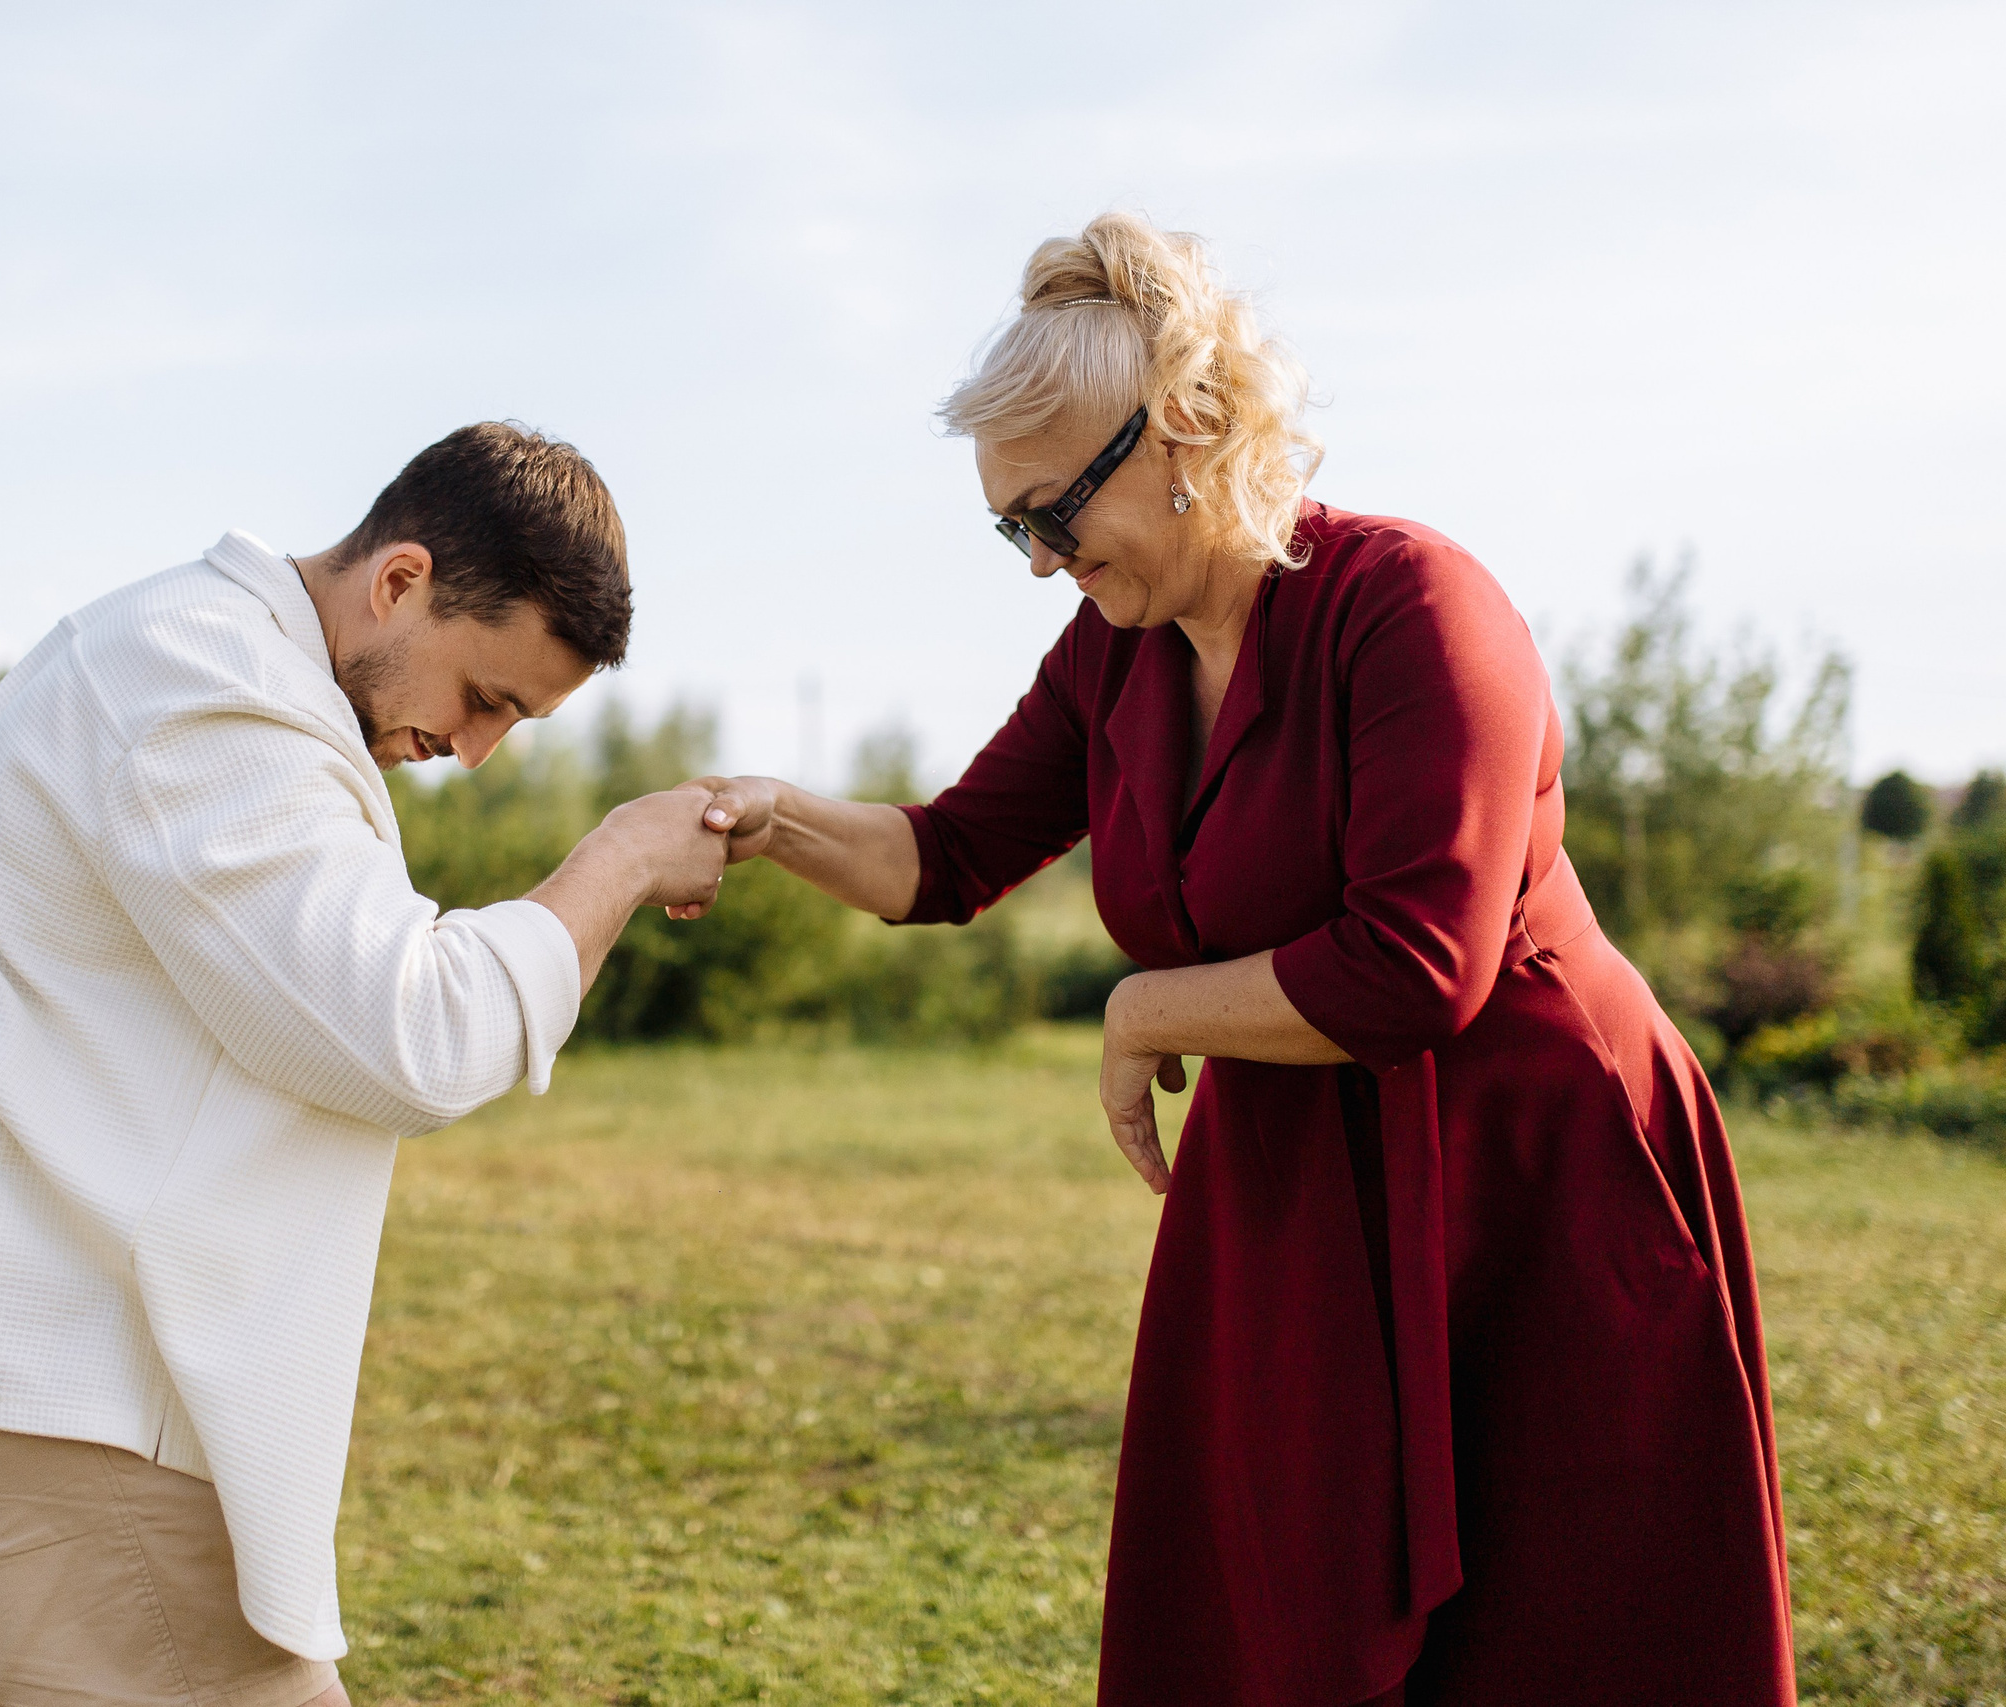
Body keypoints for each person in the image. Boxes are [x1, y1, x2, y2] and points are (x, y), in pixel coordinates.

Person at [693, 216, 1795, 1706]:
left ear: (1190, 427)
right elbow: (945, 854)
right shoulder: (1113, 651)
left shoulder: (1417, 605)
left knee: (1561, 1629)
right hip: (1291, 1182)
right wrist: (761, 818)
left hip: (1528, 1173)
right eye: (1006, 527)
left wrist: (1147, 1007)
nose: (1036, 563)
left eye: (1053, 513)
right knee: (1271, 1618)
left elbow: (1417, 966)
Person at [0, 423, 729, 1706]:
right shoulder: (208, 687)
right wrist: (621, 864)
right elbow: (409, 1032)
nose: (471, 751)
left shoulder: (184, 655)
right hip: (28, 1353)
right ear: (399, 581)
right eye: (484, 698)